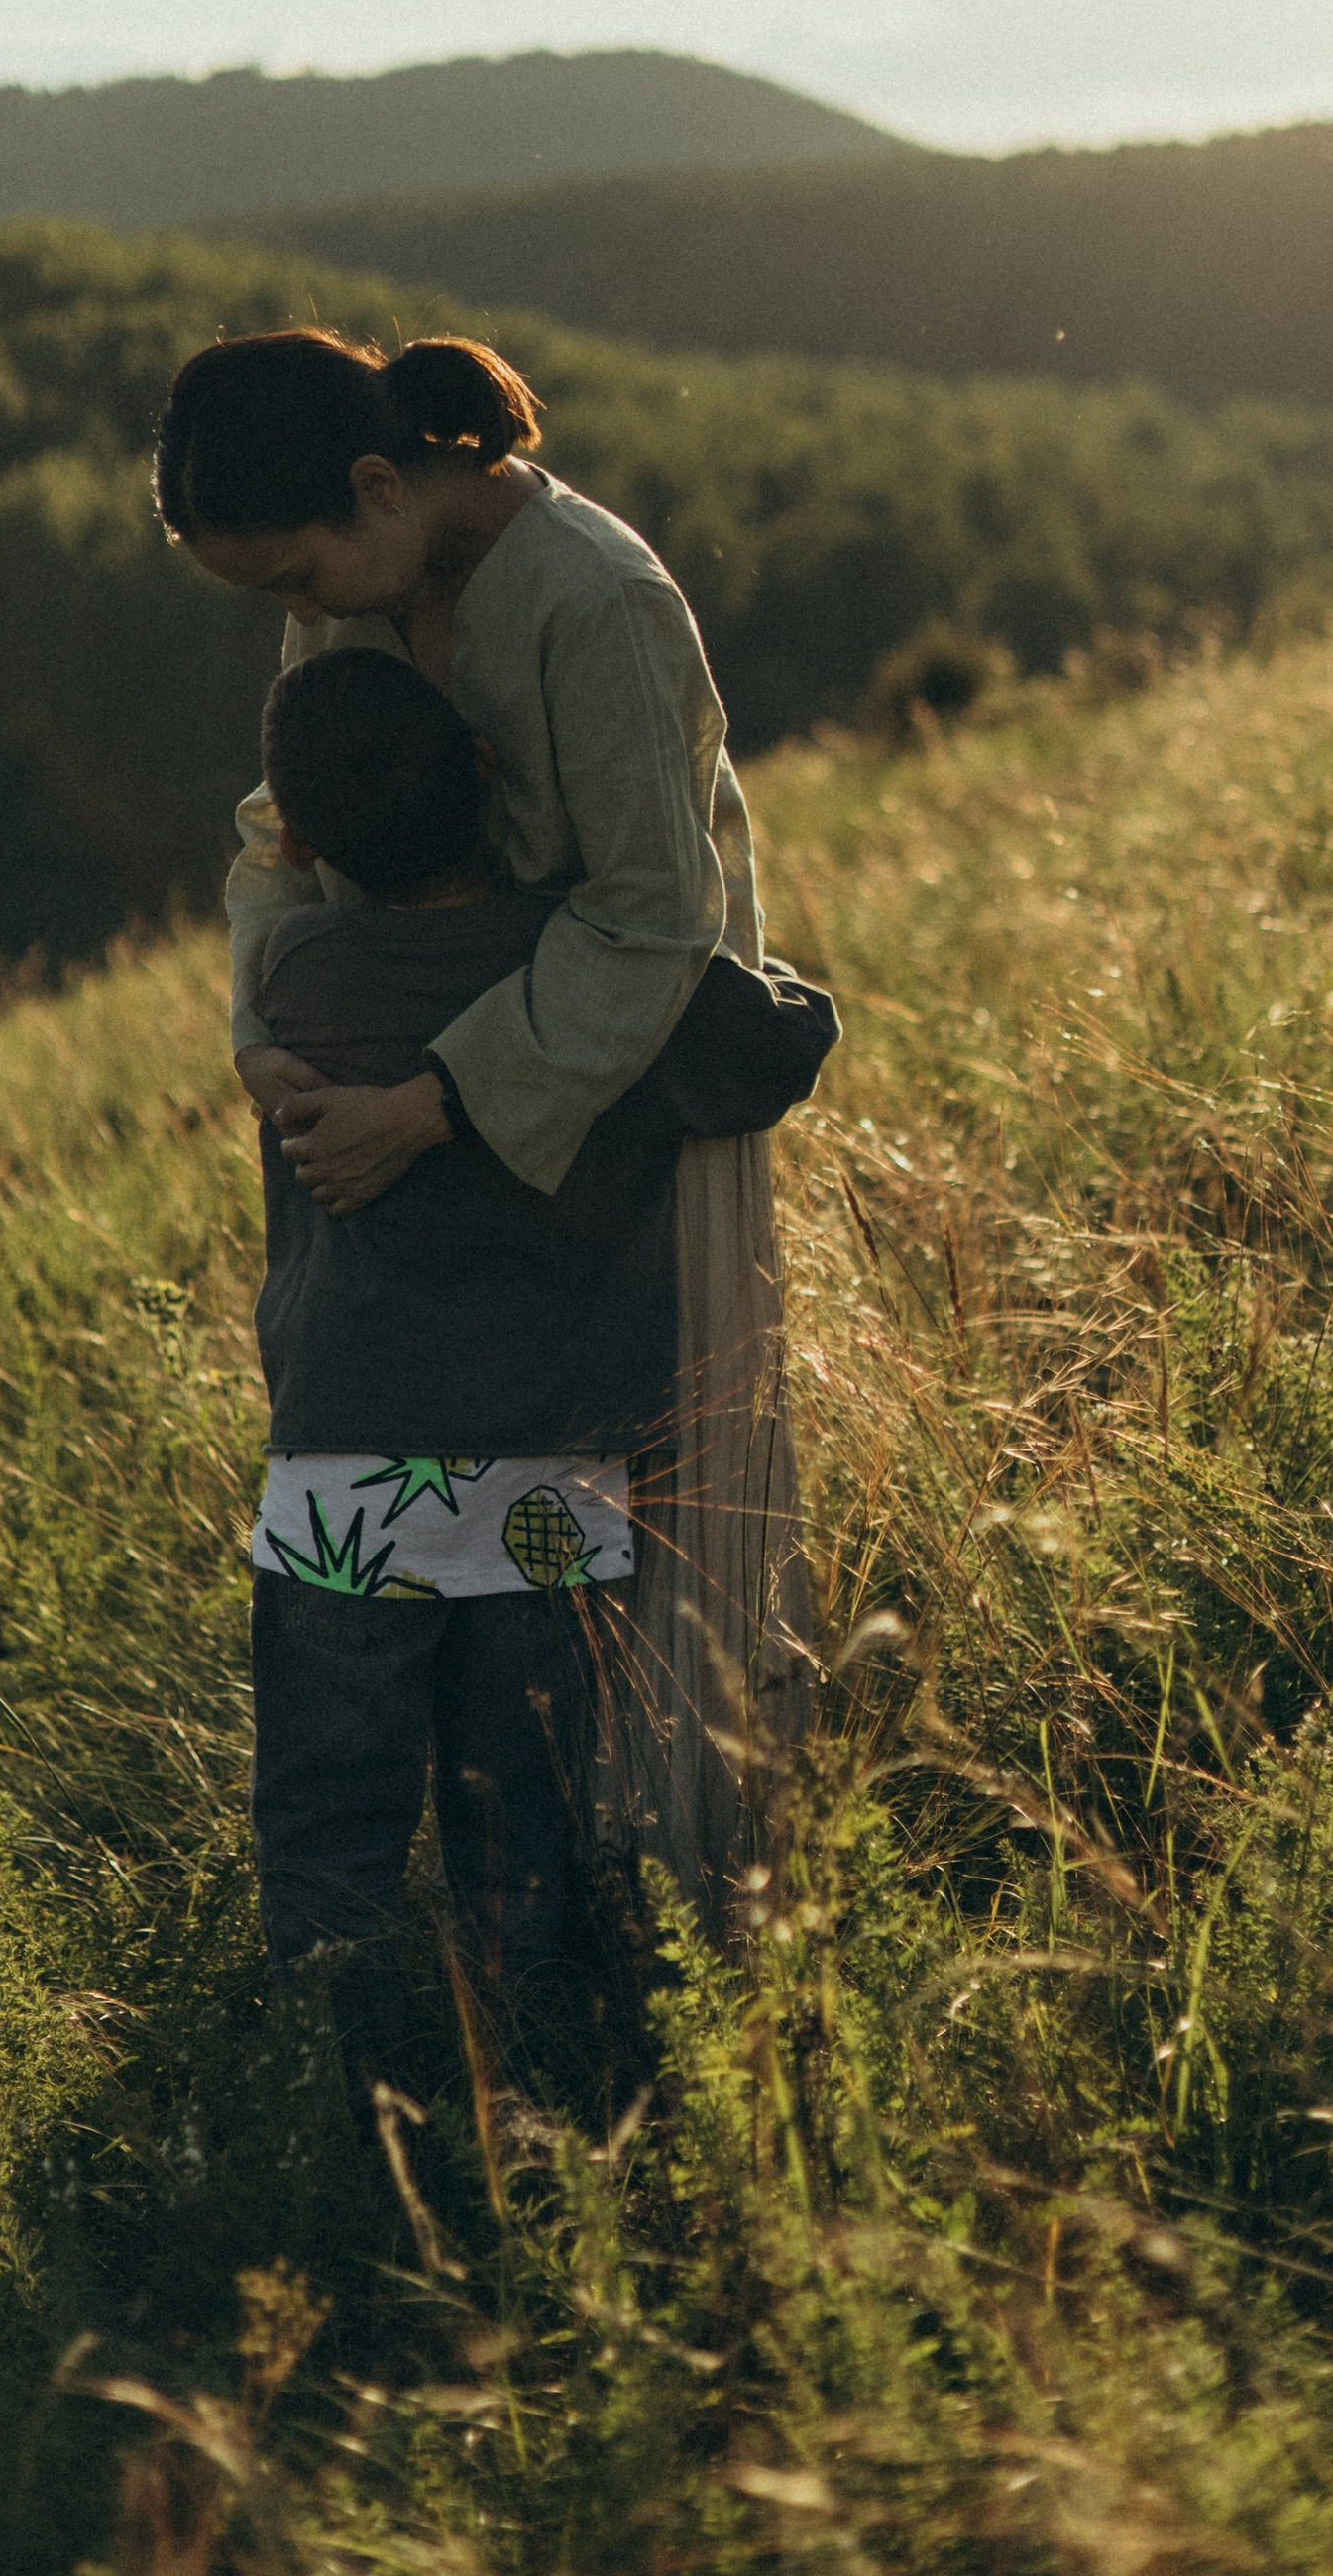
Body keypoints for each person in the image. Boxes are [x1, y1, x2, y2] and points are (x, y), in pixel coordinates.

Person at [152, 322, 817, 1917]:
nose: (296, 619)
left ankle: (667, 1868)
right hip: (435, 1055)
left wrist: (436, 1104)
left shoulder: (595, 599)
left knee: (643, 1451)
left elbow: (660, 913)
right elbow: (282, 827)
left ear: (383, 484)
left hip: (622, 1067)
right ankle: (513, 1881)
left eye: (297, 576)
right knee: (502, 1468)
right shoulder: (363, 587)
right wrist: (268, 1037)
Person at [241, 646, 834, 2080]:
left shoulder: (303, 976)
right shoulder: (588, 984)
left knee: (333, 1796)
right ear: (496, 775)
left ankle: (338, 2069)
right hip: (547, 1469)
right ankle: (531, 2059)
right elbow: (776, 1046)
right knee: (523, 1799)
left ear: (306, 844)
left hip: (345, 1465)